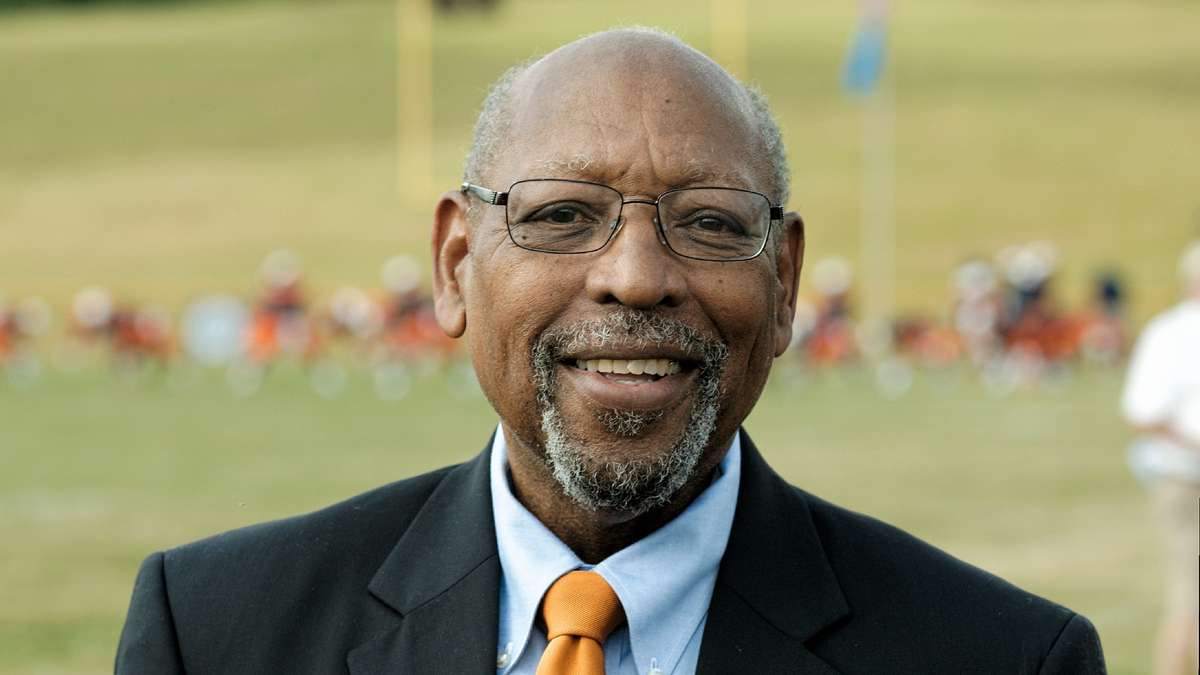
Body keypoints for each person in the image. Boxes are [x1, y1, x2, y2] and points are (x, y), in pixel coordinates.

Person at [115, 28, 1106, 674]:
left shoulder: (1004, 659)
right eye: (561, 215)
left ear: (786, 283)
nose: (634, 276)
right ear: (456, 267)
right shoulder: (215, 633)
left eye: (711, 224)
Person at [1122, 241, 1200, 675]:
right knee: (1187, 600)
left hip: (1177, 473)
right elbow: (1143, 415)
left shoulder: (1165, 331)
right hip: (1183, 479)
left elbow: (1139, 412)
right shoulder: (1170, 332)